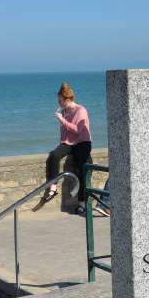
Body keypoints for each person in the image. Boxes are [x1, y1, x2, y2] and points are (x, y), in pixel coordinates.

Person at [43, 82, 92, 214]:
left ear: (68, 100)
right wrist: (62, 143)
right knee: (54, 156)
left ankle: (82, 205)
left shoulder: (81, 110)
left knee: (79, 170)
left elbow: (77, 130)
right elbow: (65, 133)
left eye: (60, 101)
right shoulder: (64, 111)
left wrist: (62, 120)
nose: (59, 104)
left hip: (82, 143)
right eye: (58, 101)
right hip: (69, 143)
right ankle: (53, 187)